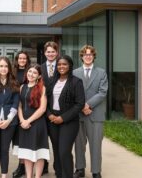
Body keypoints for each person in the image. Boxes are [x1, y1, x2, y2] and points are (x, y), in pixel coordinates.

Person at [46, 55, 85, 178]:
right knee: (56, 152)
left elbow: (80, 104)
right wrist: (49, 115)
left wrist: (63, 118)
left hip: (69, 121)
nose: (61, 67)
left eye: (64, 64)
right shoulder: (52, 81)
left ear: (70, 66)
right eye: (59, 64)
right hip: (52, 121)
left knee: (64, 151)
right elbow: (45, 101)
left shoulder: (76, 82)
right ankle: (59, 174)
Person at [73, 45, 108, 178]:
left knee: (96, 145)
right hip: (79, 114)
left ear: (94, 56)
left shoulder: (101, 72)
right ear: (81, 56)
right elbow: (72, 92)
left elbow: (102, 92)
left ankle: (96, 171)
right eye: (85, 54)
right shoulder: (75, 73)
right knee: (78, 144)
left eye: (90, 54)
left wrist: (88, 105)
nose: (88, 56)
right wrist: (81, 106)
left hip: (95, 115)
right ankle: (80, 169)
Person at [16, 64, 49, 178]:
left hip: (37, 124)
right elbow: (19, 106)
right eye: (30, 71)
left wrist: (28, 120)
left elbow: (42, 109)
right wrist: (22, 120)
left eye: (35, 73)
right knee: (27, 153)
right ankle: (29, 176)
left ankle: (37, 176)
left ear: (39, 76)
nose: (31, 74)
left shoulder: (42, 88)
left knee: (38, 153)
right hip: (24, 124)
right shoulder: (22, 87)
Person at [41, 41, 60, 175]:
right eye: (48, 51)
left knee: (56, 141)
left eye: (53, 51)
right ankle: (44, 165)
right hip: (42, 110)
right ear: (44, 53)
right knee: (42, 141)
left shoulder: (62, 67)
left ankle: (58, 166)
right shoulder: (40, 68)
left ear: (57, 53)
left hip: (57, 111)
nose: (50, 54)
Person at [11, 51, 31, 178]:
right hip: (14, 108)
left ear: (27, 60)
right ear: (17, 60)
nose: (22, 60)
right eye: (20, 58)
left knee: (26, 139)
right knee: (17, 140)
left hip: (27, 108)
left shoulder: (30, 71)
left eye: (24, 58)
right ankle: (21, 165)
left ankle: (24, 166)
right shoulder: (12, 73)